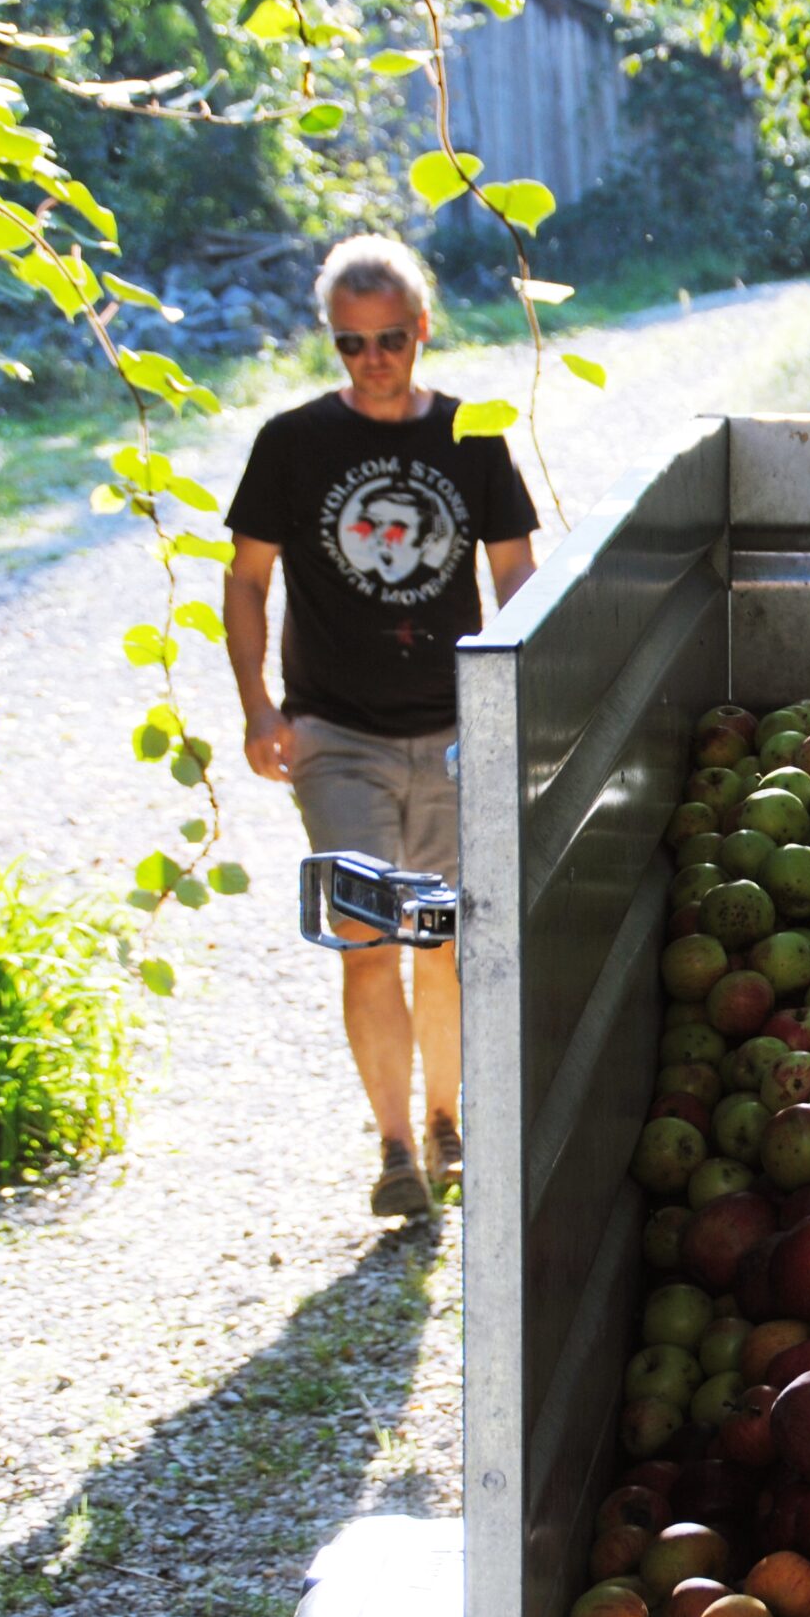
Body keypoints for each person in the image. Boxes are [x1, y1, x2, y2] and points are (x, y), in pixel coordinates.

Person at [223, 235, 539, 1217]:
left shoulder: (470, 437)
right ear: (333, 341)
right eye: (351, 343)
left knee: (438, 939)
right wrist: (257, 705)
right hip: (338, 739)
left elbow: (517, 573)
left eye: (390, 339)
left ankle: (446, 1120)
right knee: (367, 939)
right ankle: (395, 1147)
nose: (372, 360)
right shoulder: (292, 443)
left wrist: (520, 696)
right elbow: (246, 581)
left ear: (422, 329)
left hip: (454, 735)